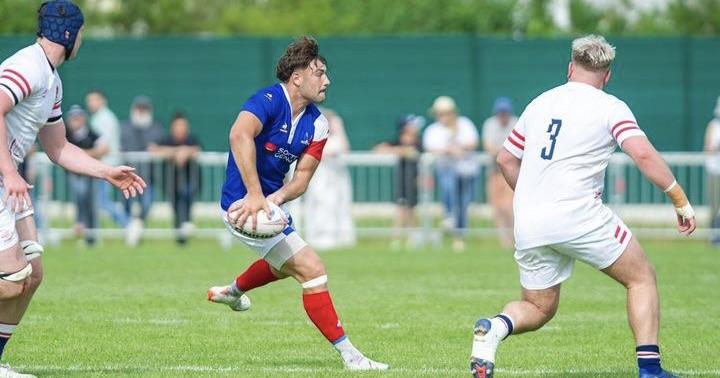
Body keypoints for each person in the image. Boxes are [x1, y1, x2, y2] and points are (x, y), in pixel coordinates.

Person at [469, 35, 695, 378]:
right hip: (578, 215)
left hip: (530, 220)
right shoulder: (610, 107)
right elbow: (643, 154)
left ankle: (494, 328)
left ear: (570, 67)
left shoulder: (540, 102)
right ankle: (650, 370)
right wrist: (679, 199)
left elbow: (504, 158)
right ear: (607, 76)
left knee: (538, 307)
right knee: (642, 278)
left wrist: (530, 200)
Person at [206, 36, 387, 371]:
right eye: (319, 73)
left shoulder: (318, 123)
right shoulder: (268, 100)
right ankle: (351, 356)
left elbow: (302, 180)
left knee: (281, 264)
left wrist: (275, 198)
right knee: (311, 269)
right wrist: (256, 194)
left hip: (269, 206)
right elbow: (238, 135)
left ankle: (232, 291)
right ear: (297, 77)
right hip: (239, 206)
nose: (327, 80)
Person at [0, 2, 146, 376]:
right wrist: (11, 172)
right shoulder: (28, 65)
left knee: (32, 275)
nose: (83, 39)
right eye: (81, 32)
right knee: (12, 279)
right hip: (4, 179)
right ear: (69, 34)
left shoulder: (52, 80)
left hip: (8, 183)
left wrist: (106, 171)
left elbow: (58, 147)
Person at [422, 96, 480, 252]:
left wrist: (459, 146)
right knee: (449, 189)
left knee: (463, 204)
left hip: (467, 171)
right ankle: (448, 215)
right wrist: (449, 150)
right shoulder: (433, 130)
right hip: (447, 170)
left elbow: (473, 142)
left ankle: (459, 236)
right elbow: (431, 147)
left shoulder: (465, 124)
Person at [302, 108, 355, 250]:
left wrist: (338, 126)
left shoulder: (336, 137)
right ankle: (320, 236)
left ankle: (340, 235)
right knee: (320, 203)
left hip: (336, 177)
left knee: (338, 203)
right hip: (319, 177)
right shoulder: (314, 136)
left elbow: (344, 148)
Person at [149, 112, 201, 245]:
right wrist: (176, 152)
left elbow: (197, 149)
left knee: (186, 201)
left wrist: (186, 152)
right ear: (172, 127)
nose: (180, 128)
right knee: (176, 207)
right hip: (171, 183)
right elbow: (153, 149)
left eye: (183, 125)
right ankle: (180, 234)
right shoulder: (166, 140)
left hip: (190, 181)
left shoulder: (191, 139)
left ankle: (185, 229)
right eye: (178, 125)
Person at [373, 114, 424, 249]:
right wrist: (400, 151)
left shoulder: (419, 142)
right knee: (401, 208)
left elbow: (417, 154)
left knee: (412, 209)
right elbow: (379, 149)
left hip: (414, 180)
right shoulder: (398, 141)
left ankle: (413, 237)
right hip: (402, 180)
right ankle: (396, 238)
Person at [120, 95, 164, 246]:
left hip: (148, 177)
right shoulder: (124, 127)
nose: (141, 111)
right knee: (127, 206)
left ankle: (137, 227)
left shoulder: (156, 128)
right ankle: (130, 229)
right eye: (139, 108)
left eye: (144, 109)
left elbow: (160, 146)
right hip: (128, 177)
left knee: (146, 204)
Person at [85, 89, 129, 229]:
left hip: (105, 166)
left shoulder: (104, 119)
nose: (90, 104)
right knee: (100, 201)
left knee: (102, 201)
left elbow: (104, 148)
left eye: (94, 100)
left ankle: (129, 224)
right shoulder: (100, 118)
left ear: (102, 100)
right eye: (89, 101)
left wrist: (81, 156)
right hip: (104, 165)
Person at [65, 105, 106, 245]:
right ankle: (81, 226)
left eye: (78, 118)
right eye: (72, 118)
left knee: (92, 204)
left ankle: (91, 236)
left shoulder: (92, 133)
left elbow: (104, 149)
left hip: (91, 175)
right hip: (74, 175)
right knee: (80, 198)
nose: (75, 121)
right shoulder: (65, 134)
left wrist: (80, 155)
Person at [482, 97, 518, 248]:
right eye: (500, 113)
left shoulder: (516, 122)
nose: (503, 115)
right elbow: (488, 146)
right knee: (497, 207)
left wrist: (503, 153)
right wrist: (504, 153)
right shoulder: (490, 124)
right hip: (494, 170)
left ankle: (514, 237)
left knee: (509, 206)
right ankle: (503, 240)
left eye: (505, 112)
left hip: (510, 169)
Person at [703, 96, 720, 246]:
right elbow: (708, 149)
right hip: (715, 170)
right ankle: (714, 235)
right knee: (715, 205)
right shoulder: (713, 126)